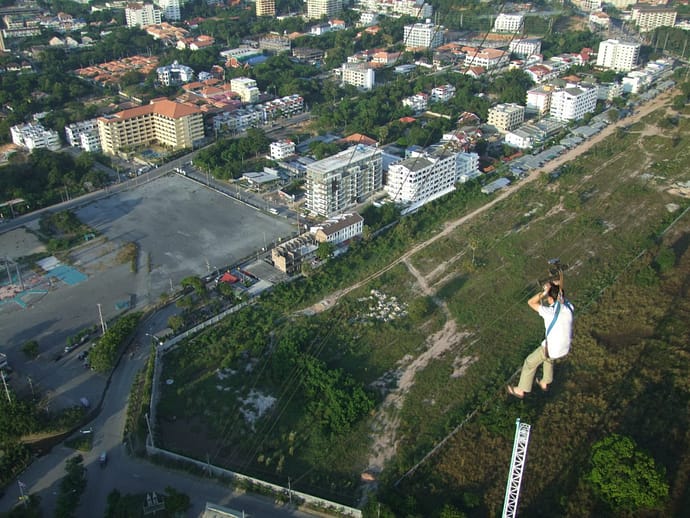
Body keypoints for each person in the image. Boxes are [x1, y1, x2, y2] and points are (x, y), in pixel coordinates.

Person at [507, 281, 574, 399]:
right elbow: (562, 299)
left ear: (551, 299)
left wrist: (544, 292)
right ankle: (545, 381)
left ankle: (521, 389)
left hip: (552, 349)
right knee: (548, 357)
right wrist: (555, 287)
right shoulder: (569, 308)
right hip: (564, 348)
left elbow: (530, 302)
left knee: (529, 362)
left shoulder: (549, 312)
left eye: (548, 298)